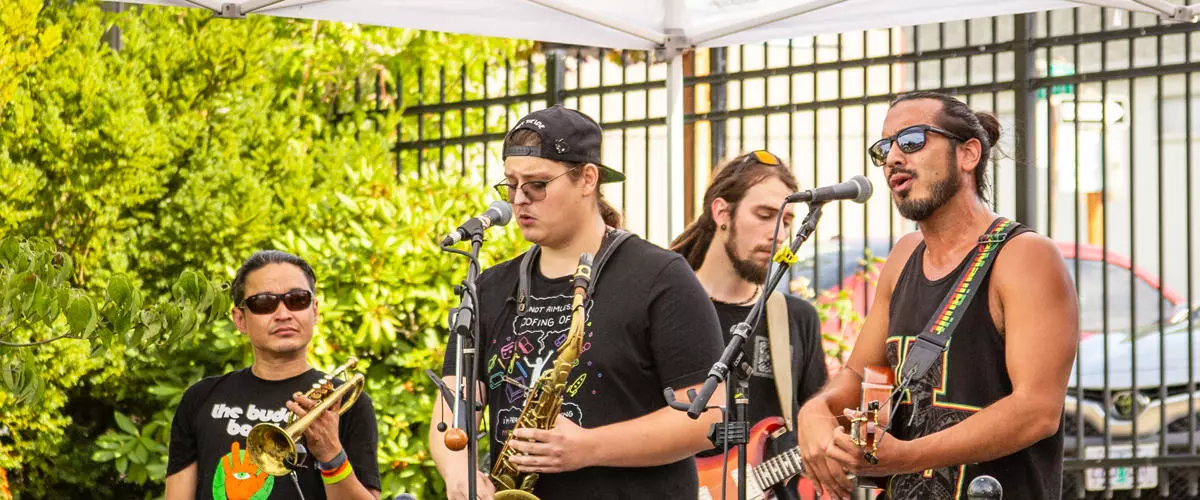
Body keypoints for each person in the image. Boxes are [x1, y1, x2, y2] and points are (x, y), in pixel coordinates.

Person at [429, 104, 727, 500]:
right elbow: (451, 407)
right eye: (511, 185)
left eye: (537, 184)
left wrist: (587, 448)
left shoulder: (661, 277)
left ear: (587, 178)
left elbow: (708, 418)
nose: (519, 200)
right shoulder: (490, 287)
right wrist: (458, 473)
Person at [794, 91, 1078, 500]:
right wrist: (816, 412)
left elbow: (1037, 410)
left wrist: (906, 456)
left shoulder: (1025, 257)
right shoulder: (903, 257)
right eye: (884, 148)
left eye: (912, 140)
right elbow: (859, 374)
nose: (893, 157)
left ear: (968, 154)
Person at [670, 150, 826, 498]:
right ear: (721, 212)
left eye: (787, 220)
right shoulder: (666, 307)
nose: (779, 234)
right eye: (765, 215)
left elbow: (816, 426)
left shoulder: (795, 318)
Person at [165, 250, 381, 500]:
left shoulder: (350, 403)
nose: (283, 314)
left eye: (297, 299)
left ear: (315, 311)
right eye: (264, 303)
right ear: (240, 319)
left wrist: (331, 454)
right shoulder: (200, 398)